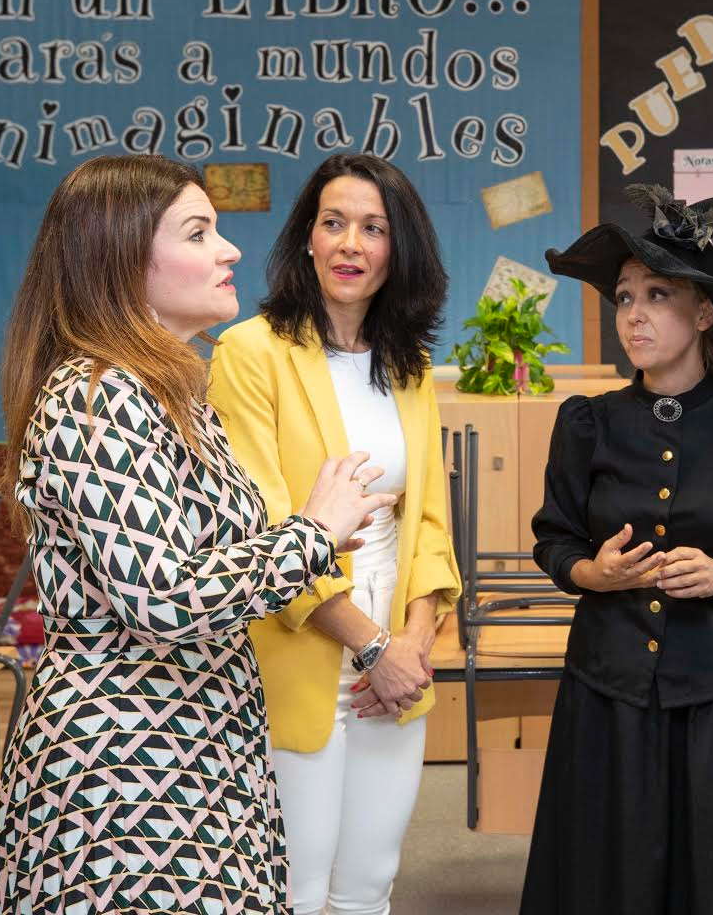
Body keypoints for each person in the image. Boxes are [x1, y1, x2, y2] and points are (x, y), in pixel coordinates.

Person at [0, 155, 396, 914]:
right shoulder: (96, 395)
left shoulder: (166, 390)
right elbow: (165, 598)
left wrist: (310, 537)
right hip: (126, 783)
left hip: (191, 756)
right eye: (199, 232)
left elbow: (197, 562)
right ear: (121, 258)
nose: (230, 250)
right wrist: (309, 533)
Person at [520, 186, 713, 915]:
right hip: (609, 687)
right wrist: (593, 572)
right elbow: (553, 538)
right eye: (624, 298)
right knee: (607, 877)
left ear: (703, 311)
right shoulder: (587, 422)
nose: (634, 315)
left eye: (657, 296)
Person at [208, 153, 461, 915]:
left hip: (397, 649)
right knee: (296, 881)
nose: (351, 242)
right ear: (307, 240)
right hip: (301, 641)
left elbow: (429, 521)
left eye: (373, 227)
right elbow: (261, 523)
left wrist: (411, 643)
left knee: (370, 880)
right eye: (333, 222)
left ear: (398, 248)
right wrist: (370, 648)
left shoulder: (409, 364)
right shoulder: (250, 352)